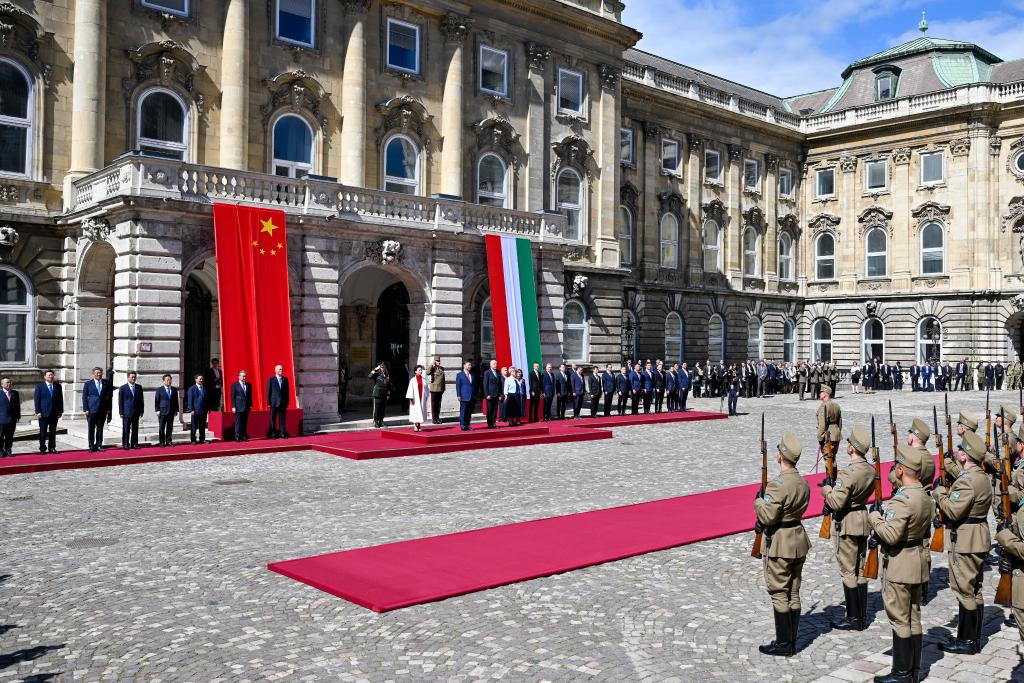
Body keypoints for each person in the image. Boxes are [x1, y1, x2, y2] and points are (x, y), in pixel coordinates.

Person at [868, 443, 933, 683]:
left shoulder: (902, 501)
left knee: (899, 619)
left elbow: (891, 534)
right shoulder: (925, 496)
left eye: (897, 466)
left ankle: (902, 673)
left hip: (900, 564)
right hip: (917, 561)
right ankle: (914, 671)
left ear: (902, 470)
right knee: (914, 616)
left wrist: (875, 517)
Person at [933, 429, 992, 655]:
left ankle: (966, 641)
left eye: (960, 449)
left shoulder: (967, 481)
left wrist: (939, 494)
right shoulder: (982, 477)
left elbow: (953, 510)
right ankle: (974, 637)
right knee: (975, 588)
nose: (957, 451)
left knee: (964, 588)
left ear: (965, 456)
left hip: (966, 539)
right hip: (978, 535)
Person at [754, 432, 810, 657]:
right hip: (798, 538)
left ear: (780, 456)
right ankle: (792, 639)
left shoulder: (778, 485)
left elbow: (768, 516)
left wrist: (758, 501)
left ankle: (784, 644)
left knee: (779, 592)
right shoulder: (802, 482)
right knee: (794, 592)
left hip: (780, 542)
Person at [821, 425, 875, 631]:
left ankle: (853, 618)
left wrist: (827, 489)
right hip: (863, 518)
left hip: (848, 521)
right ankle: (860, 614)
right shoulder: (870, 470)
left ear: (853, 448)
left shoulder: (848, 474)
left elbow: (836, 502)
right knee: (860, 568)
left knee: (848, 570)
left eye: (849, 443)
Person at [82, 366, 112, 452]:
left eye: (100, 373)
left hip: (102, 410)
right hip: (91, 410)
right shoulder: (88, 384)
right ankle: (91, 446)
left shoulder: (107, 383)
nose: (99, 374)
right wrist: (86, 409)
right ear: (93, 374)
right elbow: (84, 397)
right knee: (91, 429)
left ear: (102, 374)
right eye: (97, 373)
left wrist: (109, 408)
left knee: (100, 429)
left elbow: (109, 397)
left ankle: (99, 445)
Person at [34, 370, 63, 454]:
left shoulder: (58, 386)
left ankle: (52, 447)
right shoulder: (39, 386)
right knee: (43, 431)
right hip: (43, 413)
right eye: (49, 375)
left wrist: (60, 410)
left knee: (53, 431)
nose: (51, 376)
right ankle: (42, 448)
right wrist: (38, 411)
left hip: (54, 413)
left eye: (52, 375)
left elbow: (60, 399)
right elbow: (37, 400)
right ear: (45, 377)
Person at [117, 371, 144, 450]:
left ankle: (134, 443)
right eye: (132, 377)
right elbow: (120, 401)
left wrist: (142, 410)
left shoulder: (139, 387)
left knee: (135, 429)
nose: (134, 378)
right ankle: (125, 444)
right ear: (128, 377)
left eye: (135, 377)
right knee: (126, 429)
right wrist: (121, 412)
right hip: (126, 412)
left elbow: (141, 400)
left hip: (136, 412)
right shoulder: (123, 388)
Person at [816, 386, 842, 458]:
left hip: (828, 435)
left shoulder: (823, 407)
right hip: (836, 434)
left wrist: (820, 438)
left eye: (821, 392)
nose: (819, 394)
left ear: (825, 394)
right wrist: (838, 432)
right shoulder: (836, 405)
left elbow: (822, 425)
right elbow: (840, 422)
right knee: (833, 458)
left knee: (828, 459)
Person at [154, 374, 179, 447]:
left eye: (170, 380)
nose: (169, 381)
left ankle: (169, 441)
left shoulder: (174, 389)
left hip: (171, 411)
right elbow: (157, 401)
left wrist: (176, 410)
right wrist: (157, 410)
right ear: (164, 381)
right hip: (162, 411)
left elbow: (176, 401)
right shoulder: (159, 390)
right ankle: (162, 442)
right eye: (167, 380)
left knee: (170, 427)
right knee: (162, 427)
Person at [267, 364, 292, 437]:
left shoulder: (285, 379)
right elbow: (269, 391)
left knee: (282, 419)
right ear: (275, 370)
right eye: (279, 369)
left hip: (283, 403)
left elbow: (287, 392)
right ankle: (273, 433)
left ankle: (282, 433)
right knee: (273, 418)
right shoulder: (271, 379)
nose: (281, 370)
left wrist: (287, 402)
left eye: (282, 369)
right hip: (274, 402)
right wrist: (269, 402)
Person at [185, 374, 209, 444]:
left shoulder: (205, 388)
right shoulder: (191, 389)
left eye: (202, 379)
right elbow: (190, 400)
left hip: (204, 410)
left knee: (202, 426)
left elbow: (207, 399)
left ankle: (202, 439)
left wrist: (208, 408)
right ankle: (193, 440)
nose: (201, 380)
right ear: (195, 379)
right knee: (194, 426)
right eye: (200, 379)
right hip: (195, 411)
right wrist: (191, 409)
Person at [230, 370, 253, 441]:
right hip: (238, 406)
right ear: (239, 377)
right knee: (238, 422)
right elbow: (232, 396)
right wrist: (233, 406)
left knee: (244, 422)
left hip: (246, 406)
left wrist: (250, 405)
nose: (244, 377)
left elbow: (250, 396)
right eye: (242, 376)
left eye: (245, 376)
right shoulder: (234, 385)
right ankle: (237, 436)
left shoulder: (249, 385)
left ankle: (243, 436)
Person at [0, 377, 19, 457]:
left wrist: (18, 416)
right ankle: (0, 451)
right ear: (2, 384)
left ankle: (8, 450)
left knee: (10, 436)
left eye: (10, 382)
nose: (9, 384)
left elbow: (17, 406)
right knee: (0, 436)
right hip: (1, 419)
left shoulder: (15, 393)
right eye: (7, 382)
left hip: (12, 419)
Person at [406, 364, 429, 432]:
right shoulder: (413, 380)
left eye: (421, 370)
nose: (420, 371)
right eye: (419, 370)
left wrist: (426, 396)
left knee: (420, 411)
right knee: (415, 412)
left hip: (422, 398)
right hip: (415, 398)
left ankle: (419, 424)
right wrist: (411, 398)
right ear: (415, 371)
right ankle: (415, 425)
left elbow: (427, 389)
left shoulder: (424, 380)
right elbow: (410, 389)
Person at [368, 362, 390, 429]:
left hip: (384, 394)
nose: (382, 368)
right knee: (377, 409)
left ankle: (381, 421)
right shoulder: (376, 374)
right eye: (381, 367)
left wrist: (388, 393)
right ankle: (376, 421)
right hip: (377, 394)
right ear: (379, 367)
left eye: (383, 367)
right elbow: (369, 376)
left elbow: (388, 384)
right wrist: (375, 369)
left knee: (382, 409)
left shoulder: (386, 374)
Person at [482, 360, 503, 428]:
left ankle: (494, 423)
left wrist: (500, 394)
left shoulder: (497, 372)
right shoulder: (487, 373)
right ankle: (489, 423)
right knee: (490, 409)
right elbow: (485, 384)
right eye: (494, 364)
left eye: (496, 364)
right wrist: (487, 394)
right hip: (490, 394)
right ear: (490, 365)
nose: (495, 365)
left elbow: (499, 385)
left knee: (495, 409)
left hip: (496, 394)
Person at [455, 361, 474, 431]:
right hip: (463, 396)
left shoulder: (472, 375)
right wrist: (458, 395)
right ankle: (462, 425)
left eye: (470, 365)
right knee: (463, 411)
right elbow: (458, 386)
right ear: (464, 365)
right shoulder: (460, 375)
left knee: (469, 412)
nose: (470, 366)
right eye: (468, 365)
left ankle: (468, 424)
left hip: (471, 396)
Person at [427, 356, 446, 425]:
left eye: (439, 360)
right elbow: (427, 372)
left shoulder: (441, 369)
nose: (439, 362)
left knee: (438, 405)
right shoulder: (432, 368)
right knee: (434, 405)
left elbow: (443, 380)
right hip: (434, 389)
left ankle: (437, 418)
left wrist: (443, 388)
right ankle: (434, 419)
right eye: (437, 361)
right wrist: (432, 365)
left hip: (440, 389)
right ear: (434, 361)